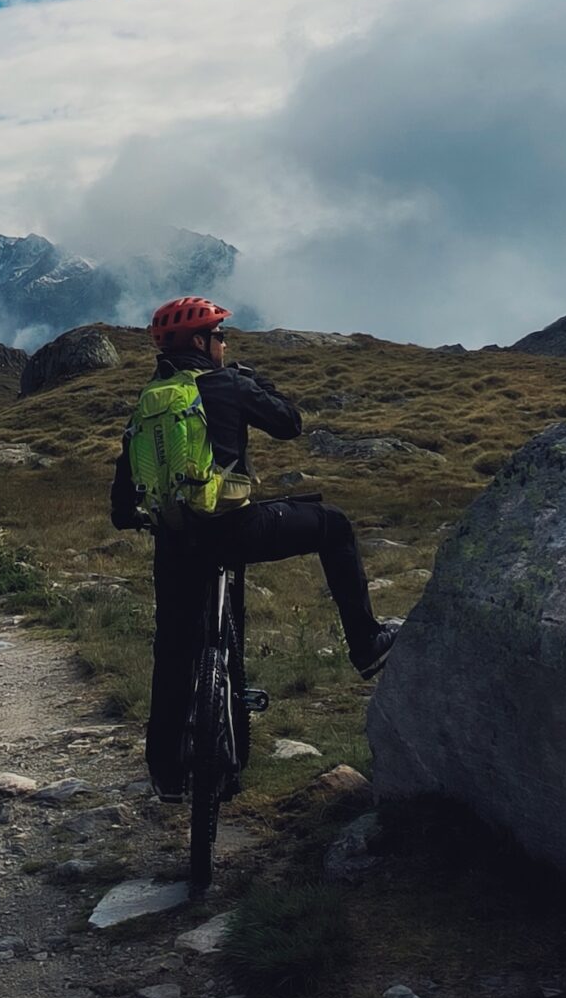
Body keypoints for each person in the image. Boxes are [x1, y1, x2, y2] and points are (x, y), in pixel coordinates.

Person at [110, 295, 396, 800]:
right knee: (334, 525)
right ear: (201, 342)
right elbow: (289, 422)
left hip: (175, 543)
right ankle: (366, 645)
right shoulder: (228, 382)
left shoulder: (149, 402)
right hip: (235, 529)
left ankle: (167, 771)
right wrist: (253, 380)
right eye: (220, 336)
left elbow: (120, 506)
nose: (224, 343)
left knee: (174, 648)